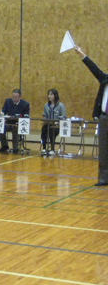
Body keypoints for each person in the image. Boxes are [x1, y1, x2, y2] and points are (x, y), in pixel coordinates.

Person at [74, 46, 108, 186]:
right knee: (103, 150)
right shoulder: (105, 80)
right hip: (104, 118)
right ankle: (103, 178)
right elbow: (94, 69)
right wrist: (82, 54)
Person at [0, 89, 30, 153]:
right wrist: (2, 113)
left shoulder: (25, 104)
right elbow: (3, 110)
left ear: (20, 97)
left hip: (18, 123)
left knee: (15, 128)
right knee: (0, 127)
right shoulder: (8, 101)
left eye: (16, 98)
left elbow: (26, 116)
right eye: (13, 97)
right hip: (9, 122)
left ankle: (15, 147)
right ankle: (4, 145)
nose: (14, 99)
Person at [41, 89, 66, 156]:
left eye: (51, 94)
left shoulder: (60, 105)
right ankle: (44, 148)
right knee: (44, 129)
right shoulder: (46, 105)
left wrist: (57, 122)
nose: (49, 96)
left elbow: (63, 116)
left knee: (52, 130)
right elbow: (44, 115)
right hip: (47, 125)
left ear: (55, 95)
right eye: (48, 94)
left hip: (56, 126)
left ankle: (52, 149)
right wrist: (44, 121)